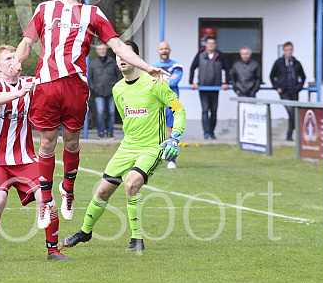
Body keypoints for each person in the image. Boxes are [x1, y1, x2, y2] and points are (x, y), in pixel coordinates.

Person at [10, 0, 168, 230]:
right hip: (47, 84)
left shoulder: (93, 13)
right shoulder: (45, 9)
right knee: (47, 143)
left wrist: (146, 66)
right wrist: (16, 61)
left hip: (75, 86)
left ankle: (67, 189)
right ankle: (45, 200)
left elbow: (118, 45)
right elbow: (28, 42)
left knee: (71, 142)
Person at [59, 41, 185, 252]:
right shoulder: (117, 89)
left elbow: (179, 110)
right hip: (127, 147)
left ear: (136, 58)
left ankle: (137, 240)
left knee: (131, 183)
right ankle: (85, 231)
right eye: (118, 56)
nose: (121, 59)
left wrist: (175, 137)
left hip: (152, 147)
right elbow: (126, 119)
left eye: (125, 55)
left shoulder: (154, 82)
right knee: (102, 191)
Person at [0, 45, 71, 262]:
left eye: (15, 57)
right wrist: (18, 93)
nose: (13, 61)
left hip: (25, 158)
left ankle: (53, 250)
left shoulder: (31, 83)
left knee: (48, 200)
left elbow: (54, 85)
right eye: (8, 58)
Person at [189, 36, 230, 140]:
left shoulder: (220, 55)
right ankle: (206, 132)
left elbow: (227, 69)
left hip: (215, 88)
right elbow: (192, 68)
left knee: (214, 111)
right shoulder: (200, 55)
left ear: (215, 45)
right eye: (209, 43)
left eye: (213, 43)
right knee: (204, 110)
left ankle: (212, 132)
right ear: (205, 44)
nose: (211, 45)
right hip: (203, 88)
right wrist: (191, 82)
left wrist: (226, 82)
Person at [153, 41, 184, 169]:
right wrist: (167, 79)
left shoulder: (176, 65)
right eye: (161, 49)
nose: (164, 51)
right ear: (157, 51)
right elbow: (151, 83)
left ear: (169, 50)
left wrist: (160, 80)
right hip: (156, 102)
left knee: (171, 130)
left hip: (171, 102)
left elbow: (174, 81)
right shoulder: (153, 66)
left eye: (166, 48)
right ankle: (157, 157)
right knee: (156, 130)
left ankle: (172, 160)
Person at [269, 41, 306, 141]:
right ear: (283, 51)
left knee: (294, 112)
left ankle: (289, 135)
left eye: (290, 49)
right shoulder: (278, 63)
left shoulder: (296, 63)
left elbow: (303, 77)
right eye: (287, 50)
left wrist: (298, 88)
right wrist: (277, 87)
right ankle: (293, 131)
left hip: (294, 92)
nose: (288, 51)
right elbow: (272, 76)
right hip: (284, 92)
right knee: (291, 111)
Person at [87, 43, 122, 139]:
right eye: (99, 49)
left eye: (103, 49)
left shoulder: (112, 62)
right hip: (99, 93)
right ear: (97, 51)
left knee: (111, 113)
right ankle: (101, 133)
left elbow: (119, 75)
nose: (102, 51)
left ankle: (110, 133)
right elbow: (90, 78)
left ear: (106, 50)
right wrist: (94, 89)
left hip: (111, 92)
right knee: (100, 113)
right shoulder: (92, 63)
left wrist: (115, 87)